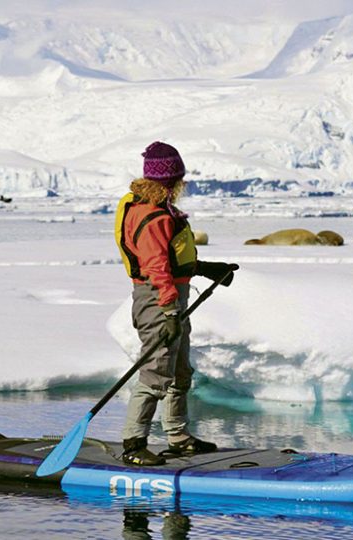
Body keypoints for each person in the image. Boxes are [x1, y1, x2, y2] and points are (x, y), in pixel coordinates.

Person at [115, 141, 239, 466]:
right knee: (156, 372)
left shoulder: (163, 210)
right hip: (158, 302)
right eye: (179, 179)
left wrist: (208, 268)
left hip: (172, 300)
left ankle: (178, 437)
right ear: (171, 180)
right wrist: (169, 311)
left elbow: (172, 260)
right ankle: (133, 444)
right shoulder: (151, 216)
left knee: (180, 371)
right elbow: (156, 268)